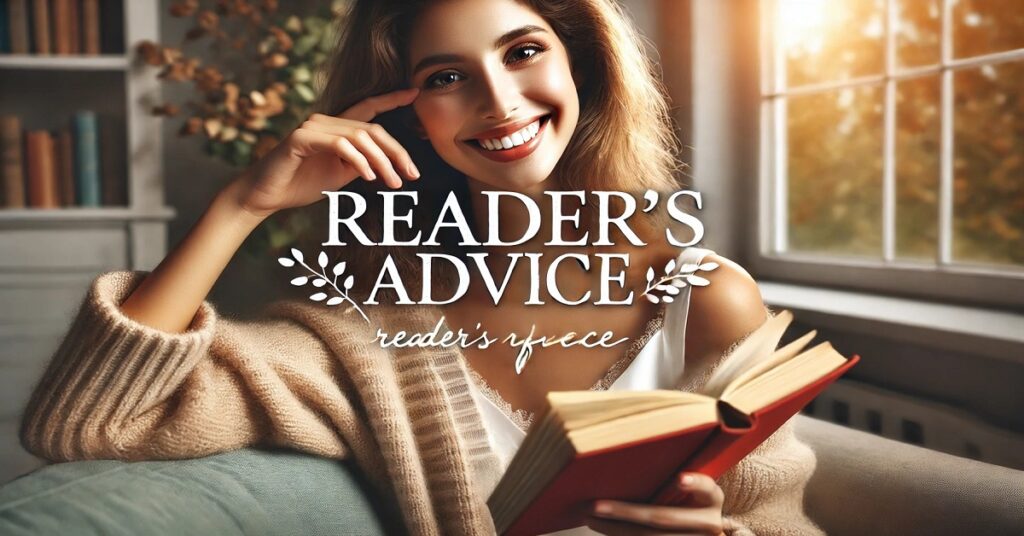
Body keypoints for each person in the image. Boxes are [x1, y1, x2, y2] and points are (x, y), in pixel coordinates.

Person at [19, 1, 823, 535]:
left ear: (580, 66)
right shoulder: (370, 327)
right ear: (403, 115)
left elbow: (782, 524)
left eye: (525, 51)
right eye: (446, 77)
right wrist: (244, 204)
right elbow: (88, 423)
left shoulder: (705, 297)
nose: (500, 100)